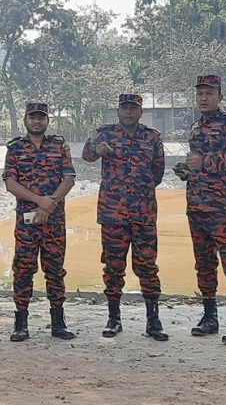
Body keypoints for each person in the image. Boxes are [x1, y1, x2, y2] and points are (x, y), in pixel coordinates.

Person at [173, 75, 226, 345]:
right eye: (200, 94)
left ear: (220, 96)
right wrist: (186, 170)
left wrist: (203, 161)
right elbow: (197, 166)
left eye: (209, 93)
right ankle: (210, 317)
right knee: (204, 264)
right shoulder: (196, 127)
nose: (204, 98)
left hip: (220, 207)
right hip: (196, 205)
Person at [82, 94, 168, 341]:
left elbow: (158, 172)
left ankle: (153, 320)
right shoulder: (106, 134)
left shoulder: (152, 137)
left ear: (140, 112)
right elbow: (87, 155)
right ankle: (113, 318)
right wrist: (96, 149)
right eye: (124, 109)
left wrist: (139, 190)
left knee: (148, 266)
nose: (128, 113)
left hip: (143, 214)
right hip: (113, 214)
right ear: (118, 111)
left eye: (133, 109)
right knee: (113, 266)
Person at [3, 102, 76, 342]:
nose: (37, 121)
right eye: (33, 117)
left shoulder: (59, 146)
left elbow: (69, 179)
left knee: (55, 270)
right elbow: (10, 183)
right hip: (27, 221)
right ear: (25, 120)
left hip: (54, 221)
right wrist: (39, 201)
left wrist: (50, 203)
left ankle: (58, 322)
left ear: (47, 121)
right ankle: (21, 323)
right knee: (23, 269)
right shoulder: (16, 148)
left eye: (41, 118)